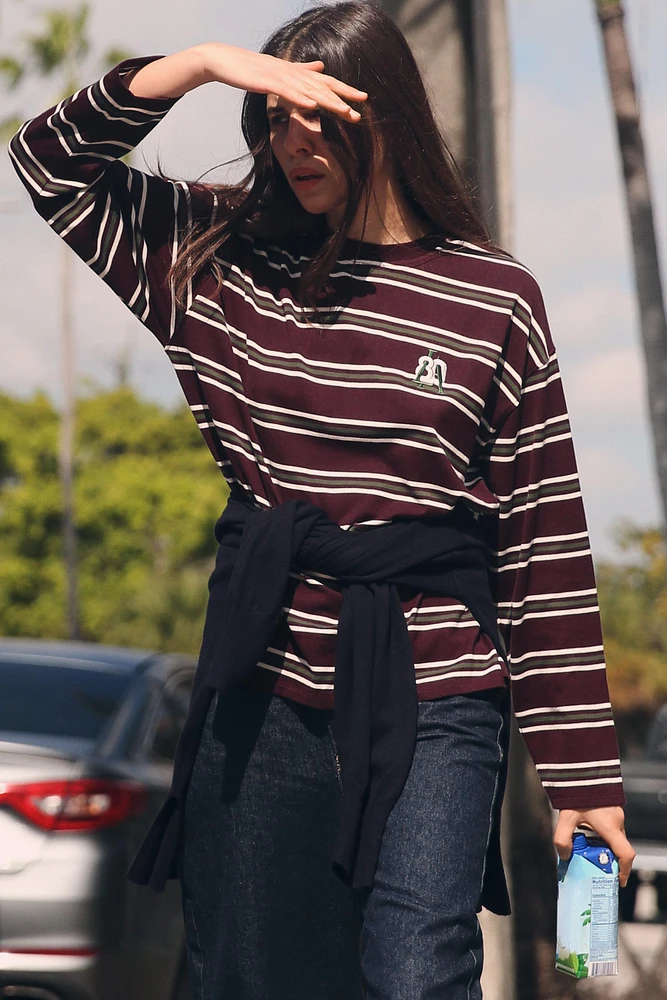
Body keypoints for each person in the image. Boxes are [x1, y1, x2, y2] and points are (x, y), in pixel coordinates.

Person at [9, 3, 635, 998]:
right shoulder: (219, 265)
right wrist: (209, 66)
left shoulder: (493, 297)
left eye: (316, 116)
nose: (289, 143)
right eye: (272, 118)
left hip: (436, 693)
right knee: (251, 976)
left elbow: (540, 538)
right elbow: (47, 163)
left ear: (383, 114)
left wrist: (584, 779)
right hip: (265, 689)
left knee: (415, 972)